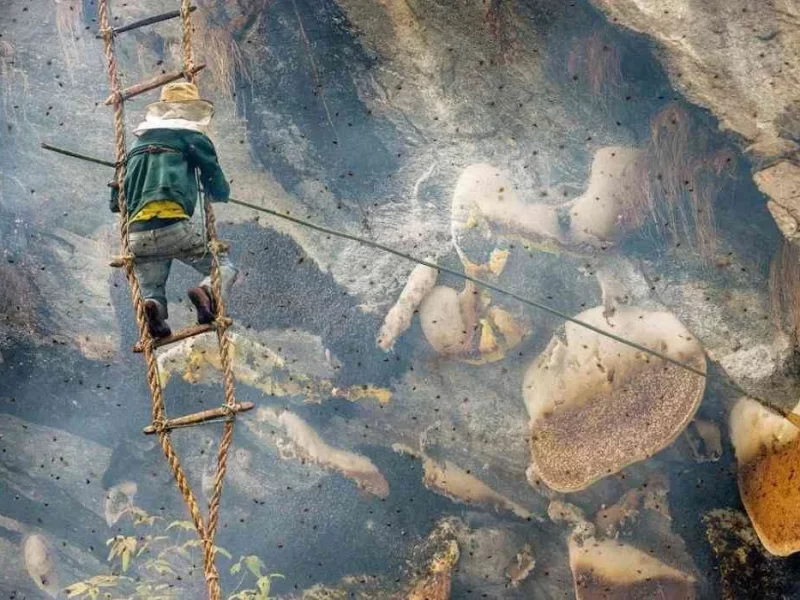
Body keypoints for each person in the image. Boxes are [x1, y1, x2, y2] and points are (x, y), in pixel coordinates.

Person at [109, 81, 238, 339]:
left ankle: (153, 309)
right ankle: (208, 292)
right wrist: (220, 193)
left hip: (137, 237)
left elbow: (115, 203)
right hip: (175, 227)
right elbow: (217, 183)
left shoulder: (134, 147)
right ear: (191, 111)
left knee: (151, 289)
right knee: (223, 266)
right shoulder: (191, 136)